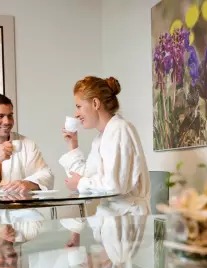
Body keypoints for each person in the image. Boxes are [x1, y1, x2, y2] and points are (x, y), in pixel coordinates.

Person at [59, 76, 151, 215]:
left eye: (79, 107)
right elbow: (86, 176)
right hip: (111, 216)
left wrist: (80, 183)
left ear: (95, 103)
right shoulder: (101, 138)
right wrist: (73, 144)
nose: (76, 114)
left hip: (128, 218)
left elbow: (114, 185)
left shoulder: (119, 129)